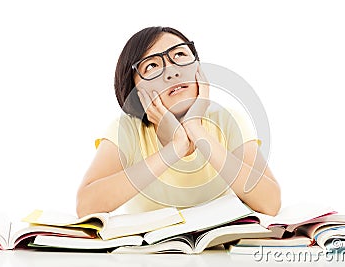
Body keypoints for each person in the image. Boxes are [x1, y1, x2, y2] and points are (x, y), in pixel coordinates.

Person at [76, 26, 281, 218]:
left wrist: (196, 129)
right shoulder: (127, 130)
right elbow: (86, 206)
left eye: (180, 55)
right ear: (136, 91)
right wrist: (176, 148)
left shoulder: (228, 121)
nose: (172, 72)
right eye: (152, 65)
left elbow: (270, 203)